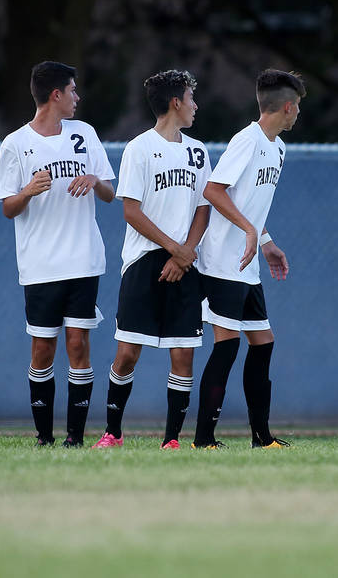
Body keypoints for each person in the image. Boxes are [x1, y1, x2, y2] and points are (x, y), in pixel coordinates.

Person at [0, 62, 116, 447]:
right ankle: (44, 436)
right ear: (55, 95)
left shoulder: (84, 134)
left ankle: (75, 437)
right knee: (43, 347)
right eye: (73, 91)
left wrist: (95, 180)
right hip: (40, 265)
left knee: (79, 343)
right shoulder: (15, 143)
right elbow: (8, 207)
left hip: (83, 259)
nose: (78, 98)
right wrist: (27, 191)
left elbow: (110, 192)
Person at [92, 69, 211, 450]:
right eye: (191, 98)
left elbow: (204, 209)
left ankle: (172, 440)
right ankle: (113, 433)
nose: (195, 105)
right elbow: (131, 211)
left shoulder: (198, 151)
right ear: (176, 102)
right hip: (145, 262)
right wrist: (172, 248)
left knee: (183, 355)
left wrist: (185, 253)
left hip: (186, 264)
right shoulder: (139, 148)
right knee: (127, 353)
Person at [192, 68, 304, 450]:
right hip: (223, 261)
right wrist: (249, 230)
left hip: (247, 263)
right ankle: (203, 440)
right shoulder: (248, 140)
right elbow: (214, 190)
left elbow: (250, 202)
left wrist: (266, 240)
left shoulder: (278, 147)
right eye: (298, 107)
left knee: (263, 342)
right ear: (287, 107)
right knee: (227, 345)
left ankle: (262, 438)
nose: (298, 114)